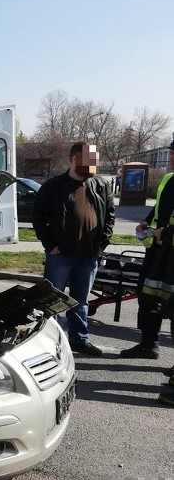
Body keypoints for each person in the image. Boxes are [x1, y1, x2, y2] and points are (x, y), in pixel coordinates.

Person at [32, 141, 115, 356]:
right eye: (89, 160)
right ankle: (48, 343)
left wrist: (102, 243)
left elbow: (110, 215)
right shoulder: (53, 187)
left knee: (80, 301)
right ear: (74, 159)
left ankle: (80, 340)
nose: (93, 165)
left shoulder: (101, 186)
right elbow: (38, 217)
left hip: (88, 255)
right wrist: (50, 245)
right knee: (53, 301)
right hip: (60, 255)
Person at [120, 136, 174, 359]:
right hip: (159, 250)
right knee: (147, 295)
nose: (171, 157)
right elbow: (161, 207)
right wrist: (147, 220)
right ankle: (148, 344)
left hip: (170, 252)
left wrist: (166, 232)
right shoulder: (169, 178)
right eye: (171, 153)